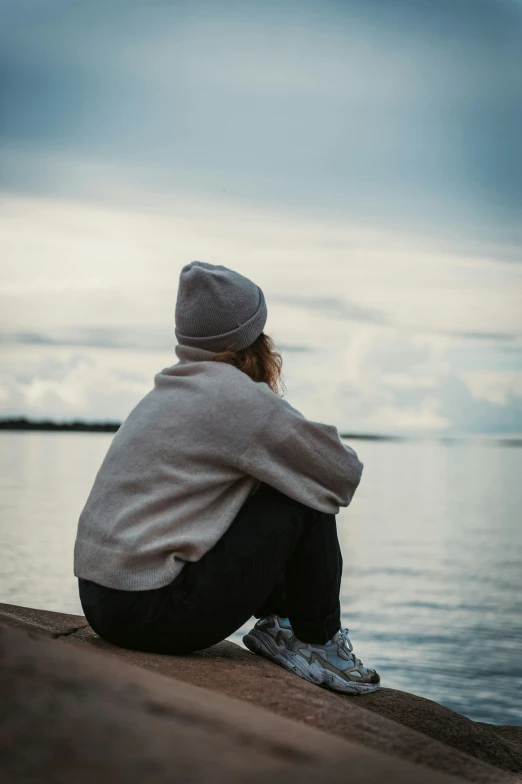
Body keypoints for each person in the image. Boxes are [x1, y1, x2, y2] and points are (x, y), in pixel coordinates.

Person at [74, 261, 380, 695]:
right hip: (152, 613)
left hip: (101, 603)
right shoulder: (236, 399)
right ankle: (317, 641)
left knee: (273, 479)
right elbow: (341, 474)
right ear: (252, 338)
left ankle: (282, 625)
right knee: (306, 496)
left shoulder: (165, 390)